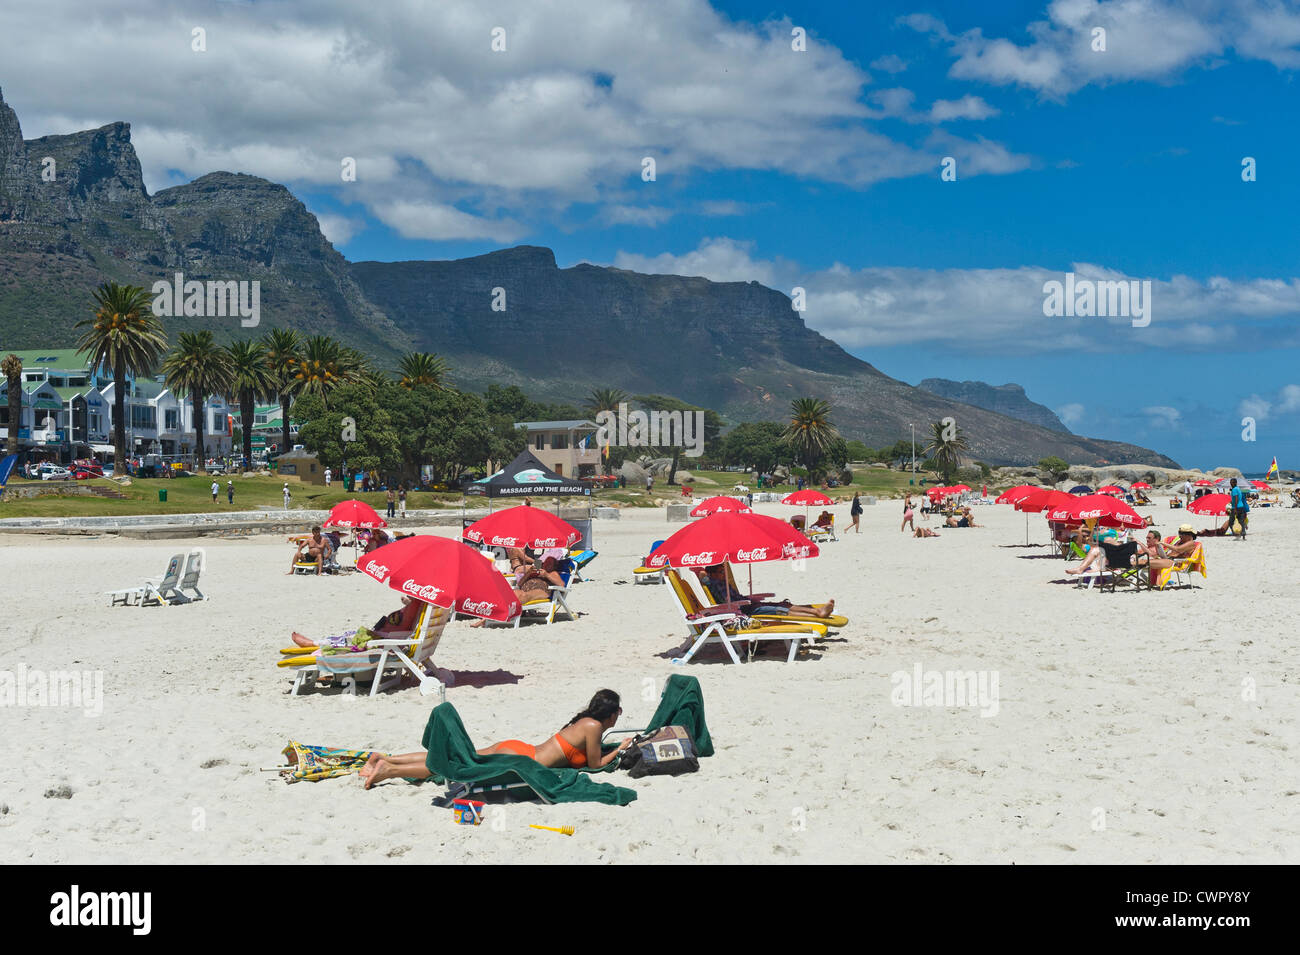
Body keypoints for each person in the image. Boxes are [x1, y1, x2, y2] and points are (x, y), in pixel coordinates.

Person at [358, 689, 636, 789]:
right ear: (611, 712)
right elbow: (596, 763)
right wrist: (620, 748)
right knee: (458, 766)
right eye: (618, 712)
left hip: (517, 748)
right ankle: (389, 770)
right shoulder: (594, 727)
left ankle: (386, 757)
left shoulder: (582, 721)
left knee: (460, 757)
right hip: (521, 760)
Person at [695, 564, 836, 619]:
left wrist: (750, 599)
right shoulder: (713, 583)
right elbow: (702, 574)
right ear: (712, 574)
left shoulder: (721, 582)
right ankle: (816, 614)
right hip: (742, 610)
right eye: (721, 572)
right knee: (780, 610)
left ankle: (817, 611)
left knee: (783, 604)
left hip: (747, 604)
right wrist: (705, 572)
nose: (724, 574)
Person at [290, 594, 424, 648]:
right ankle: (314, 642)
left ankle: (312, 643)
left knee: (347, 638)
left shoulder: (414, 606)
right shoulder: (419, 605)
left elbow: (403, 625)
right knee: (349, 634)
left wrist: (408, 603)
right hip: (385, 637)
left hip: (384, 641)